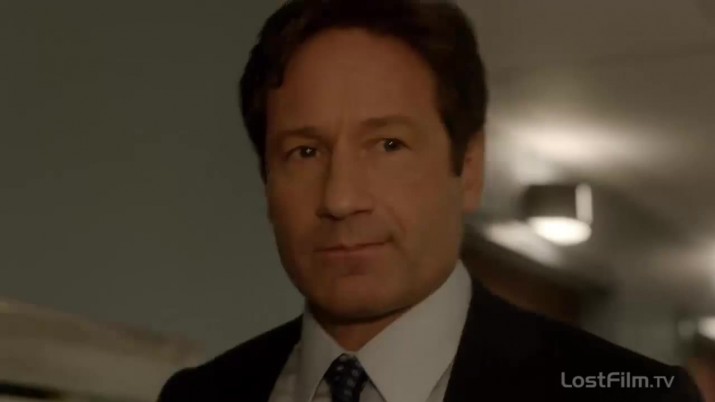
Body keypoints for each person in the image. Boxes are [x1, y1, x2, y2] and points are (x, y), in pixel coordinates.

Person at [158, 0, 703, 401]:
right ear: (267, 184)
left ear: (469, 170)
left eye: (388, 145)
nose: (341, 198)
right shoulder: (198, 397)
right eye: (304, 152)